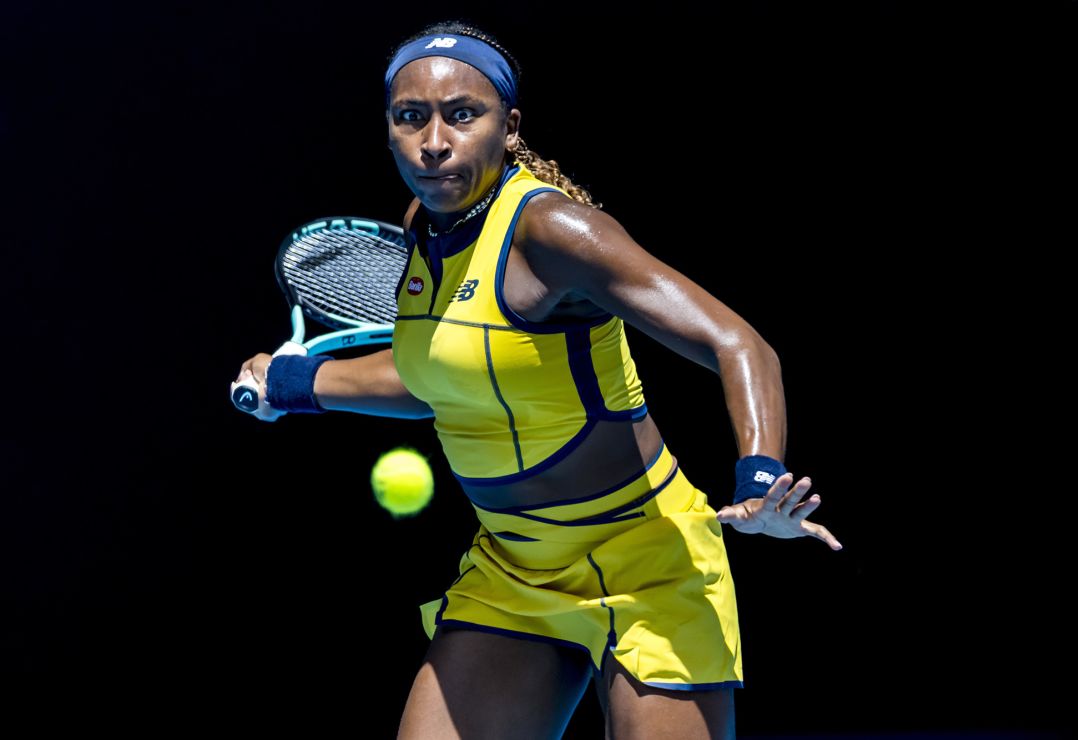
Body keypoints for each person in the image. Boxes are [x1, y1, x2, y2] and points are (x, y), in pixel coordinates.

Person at [234, 20, 842, 740]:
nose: (434, 140)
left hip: (645, 560)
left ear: (508, 126)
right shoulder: (424, 225)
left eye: (462, 114)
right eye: (410, 117)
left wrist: (759, 475)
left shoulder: (554, 233)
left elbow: (739, 342)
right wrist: (300, 384)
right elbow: (439, 378)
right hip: (516, 565)